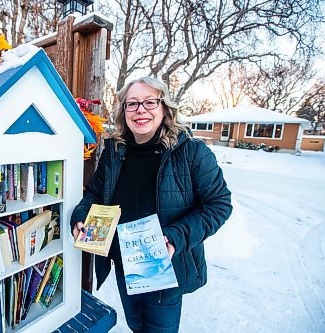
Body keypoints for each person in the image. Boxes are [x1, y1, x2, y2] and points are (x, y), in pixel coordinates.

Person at [70, 77, 232, 333]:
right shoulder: (114, 151)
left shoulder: (191, 152)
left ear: (165, 108)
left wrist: (175, 238)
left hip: (164, 265)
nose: (140, 110)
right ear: (123, 111)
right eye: (132, 104)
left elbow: (219, 205)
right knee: (136, 324)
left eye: (149, 102)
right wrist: (80, 216)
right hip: (125, 260)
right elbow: (94, 194)